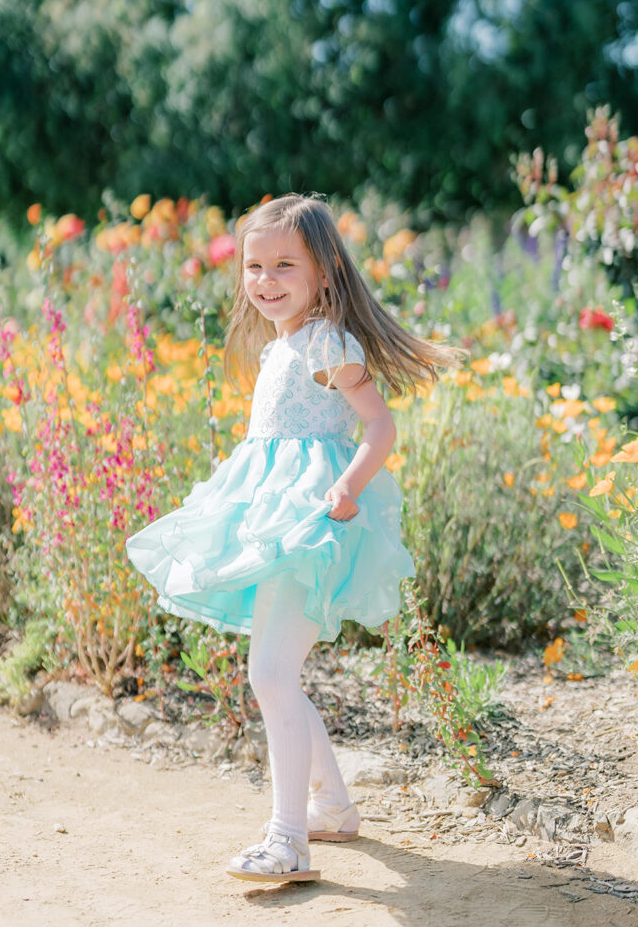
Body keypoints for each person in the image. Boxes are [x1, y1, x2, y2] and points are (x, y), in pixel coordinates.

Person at [126, 193, 467, 883]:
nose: (265, 280)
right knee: (278, 674)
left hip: (315, 523)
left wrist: (346, 490)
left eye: (284, 265)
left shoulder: (326, 342)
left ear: (324, 272)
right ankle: (332, 806)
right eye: (254, 266)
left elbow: (379, 428)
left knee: (272, 675)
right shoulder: (282, 346)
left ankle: (287, 840)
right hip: (273, 520)